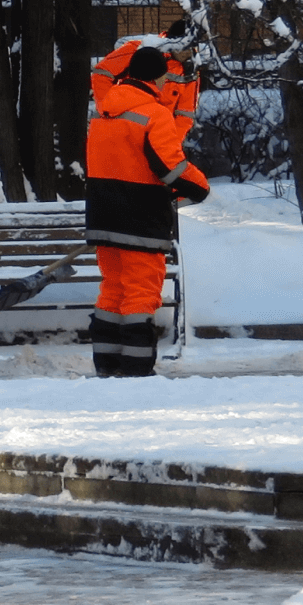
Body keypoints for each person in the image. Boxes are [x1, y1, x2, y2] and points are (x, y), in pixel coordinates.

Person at [85, 45, 210, 377]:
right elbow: (170, 166)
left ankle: (107, 364)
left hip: (103, 214)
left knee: (113, 288)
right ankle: (138, 368)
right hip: (140, 215)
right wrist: (199, 186)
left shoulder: (103, 110)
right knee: (141, 292)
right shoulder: (154, 114)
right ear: (158, 77)